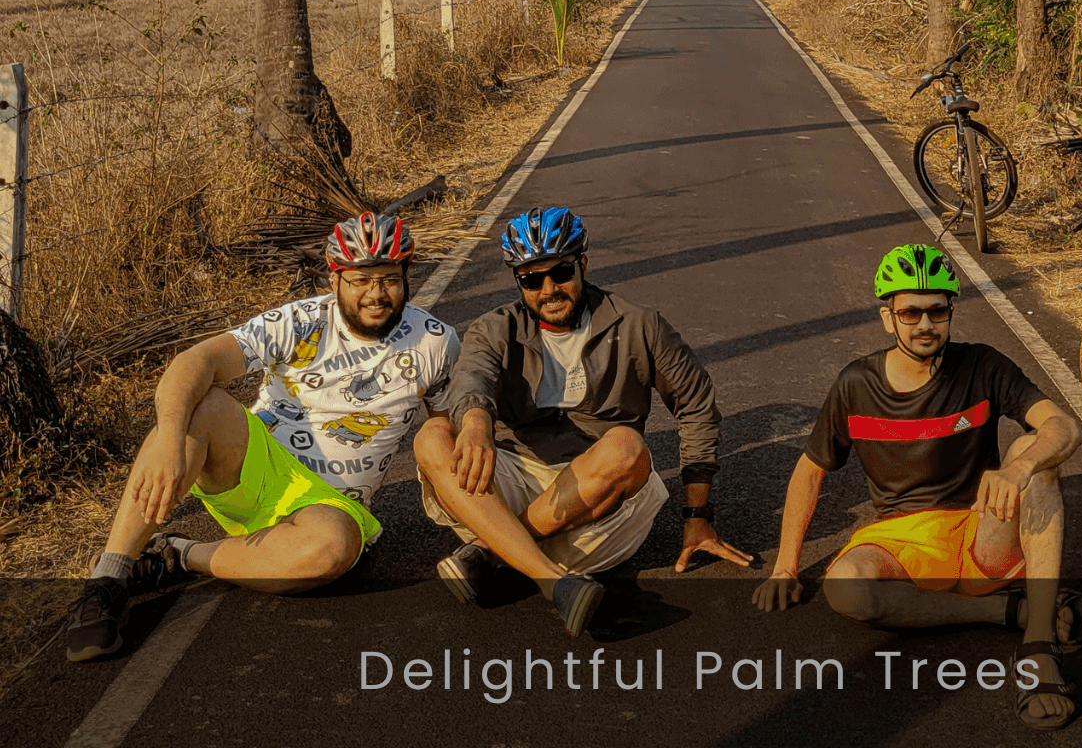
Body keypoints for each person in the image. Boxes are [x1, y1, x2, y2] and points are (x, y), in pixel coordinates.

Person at [66, 210, 458, 662]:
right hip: (258, 464)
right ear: (335, 280)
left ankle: (176, 555)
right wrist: (170, 439)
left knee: (331, 550)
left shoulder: (436, 343)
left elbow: (447, 425)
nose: (375, 294)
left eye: (389, 279)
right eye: (359, 281)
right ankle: (108, 580)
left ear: (406, 276)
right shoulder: (301, 320)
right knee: (203, 402)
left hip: (330, 507)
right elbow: (194, 361)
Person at [751, 242, 1082, 731]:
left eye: (937, 311)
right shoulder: (856, 384)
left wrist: (1019, 468)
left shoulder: (981, 365)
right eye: (910, 312)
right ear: (888, 317)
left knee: (1036, 456)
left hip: (980, 531)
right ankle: (1007, 611)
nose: (925, 324)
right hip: (902, 542)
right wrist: (785, 566)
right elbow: (810, 469)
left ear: (950, 313)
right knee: (845, 588)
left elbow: (1065, 428)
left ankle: (1038, 648)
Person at [414, 204, 750, 634]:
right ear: (518, 281)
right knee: (432, 435)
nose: (549, 289)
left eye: (561, 273)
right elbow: (472, 379)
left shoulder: (640, 325)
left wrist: (697, 517)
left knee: (626, 446)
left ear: (583, 264)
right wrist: (476, 425)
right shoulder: (494, 328)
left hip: (596, 502)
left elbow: (697, 406)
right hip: (515, 480)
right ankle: (553, 581)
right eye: (532, 279)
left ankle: (495, 552)